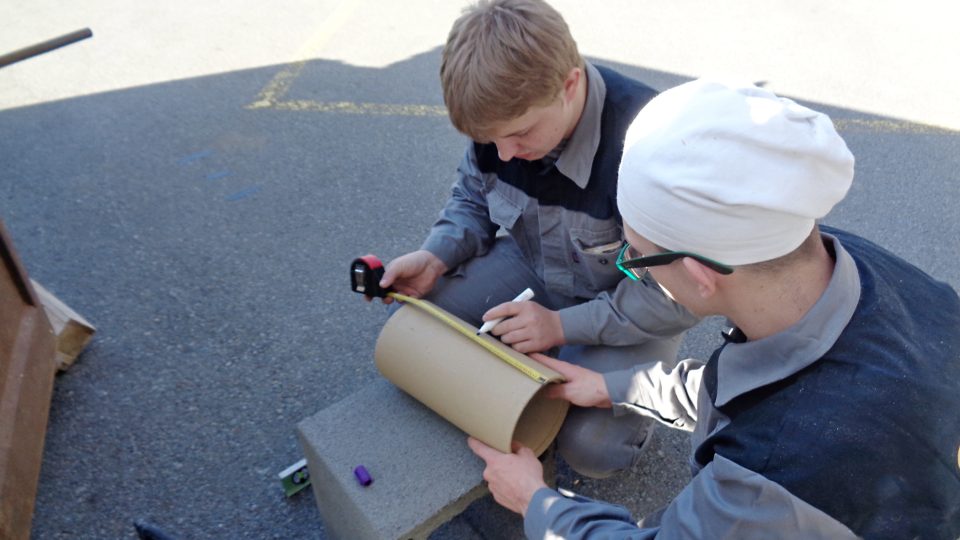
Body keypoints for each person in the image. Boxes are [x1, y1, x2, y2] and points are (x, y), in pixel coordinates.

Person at [468, 79, 960, 538]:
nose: (633, 267)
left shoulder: (773, 474)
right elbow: (752, 380)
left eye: (636, 257)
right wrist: (617, 386)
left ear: (700, 275)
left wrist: (535, 501)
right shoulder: (829, 257)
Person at [375, 0, 697, 478]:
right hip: (539, 269)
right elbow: (472, 196)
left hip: (626, 303)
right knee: (425, 327)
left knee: (592, 448)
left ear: (569, 85)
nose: (506, 153)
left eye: (519, 134)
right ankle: (544, 363)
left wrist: (560, 328)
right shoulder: (503, 121)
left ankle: (631, 416)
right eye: (492, 140)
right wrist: (436, 256)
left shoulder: (650, 150)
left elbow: (669, 299)